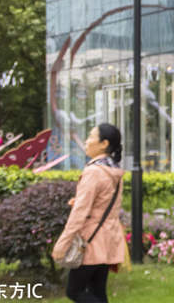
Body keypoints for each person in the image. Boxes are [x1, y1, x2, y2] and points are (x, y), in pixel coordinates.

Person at [52, 124, 126, 303]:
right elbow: (105, 204)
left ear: (104, 143)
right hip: (107, 240)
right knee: (98, 291)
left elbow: (80, 214)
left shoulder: (94, 172)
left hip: (90, 242)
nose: (86, 141)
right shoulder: (113, 170)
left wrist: (62, 244)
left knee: (74, 292)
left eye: (91, 136)